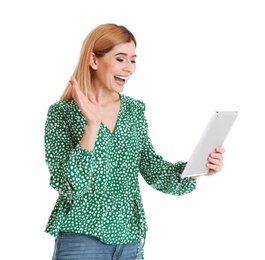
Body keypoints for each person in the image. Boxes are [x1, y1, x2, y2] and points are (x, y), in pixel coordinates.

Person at [44, 23, 225, 260]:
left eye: (133, 59)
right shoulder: (62, 113)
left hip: (130, 242)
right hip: (82, 240)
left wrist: (197, 169)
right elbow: (68, 186)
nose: (129, 68)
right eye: (120, 59)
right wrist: (92, 125)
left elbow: (153, 169)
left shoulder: (133, 111)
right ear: (94, 60)